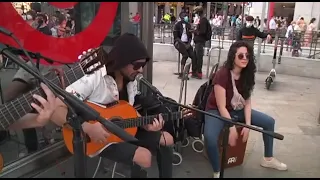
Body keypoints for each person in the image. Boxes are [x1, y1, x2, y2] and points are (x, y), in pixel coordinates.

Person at [30, 33, 174, 178]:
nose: (141, 70)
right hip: (96, 137)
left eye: (143, 65)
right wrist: (87, 127)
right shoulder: (94, 76)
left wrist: (145, 124)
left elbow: (127, 110)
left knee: (167, 139)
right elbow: (56, 108)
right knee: (145, 157)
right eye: (137, 65)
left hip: (123, 130)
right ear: (122, 60)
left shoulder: (131, 80)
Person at [204, 41, 287, 178]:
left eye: (247, 56)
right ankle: (217, 171)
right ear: (232, 57)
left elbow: (247, 103)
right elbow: (221, 106)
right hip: (216, 110)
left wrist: (247, 125)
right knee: (210, 138)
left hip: (237, 109)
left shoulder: (247, 74)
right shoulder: (222, 74)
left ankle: (268, 159)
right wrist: (231, 127)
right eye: (241, 56)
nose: (244, 59)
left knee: (269, 122)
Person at [173, 12, 195, 79]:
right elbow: (176, 37)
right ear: (181, 17)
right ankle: (182, 73)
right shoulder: (177, 25)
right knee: (185, 55)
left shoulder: (188, 25)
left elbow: (190, 37)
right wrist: (183, 44)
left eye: (186, 16)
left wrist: (188, 44)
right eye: (184, 16)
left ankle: (192, 72)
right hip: (179, 43)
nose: (186, 17)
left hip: (186, 43)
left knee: (193, 56)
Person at [192, 6, 211, 79]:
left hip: (200, 41)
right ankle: (194, 71)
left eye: (196, 13)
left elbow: (202, 31)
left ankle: (198, 72)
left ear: (199, 12)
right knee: (195, 57)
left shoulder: (203, 20)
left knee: (198, 57)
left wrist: (195, 31)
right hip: (198, 41)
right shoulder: (202, 19)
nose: (195, 14)